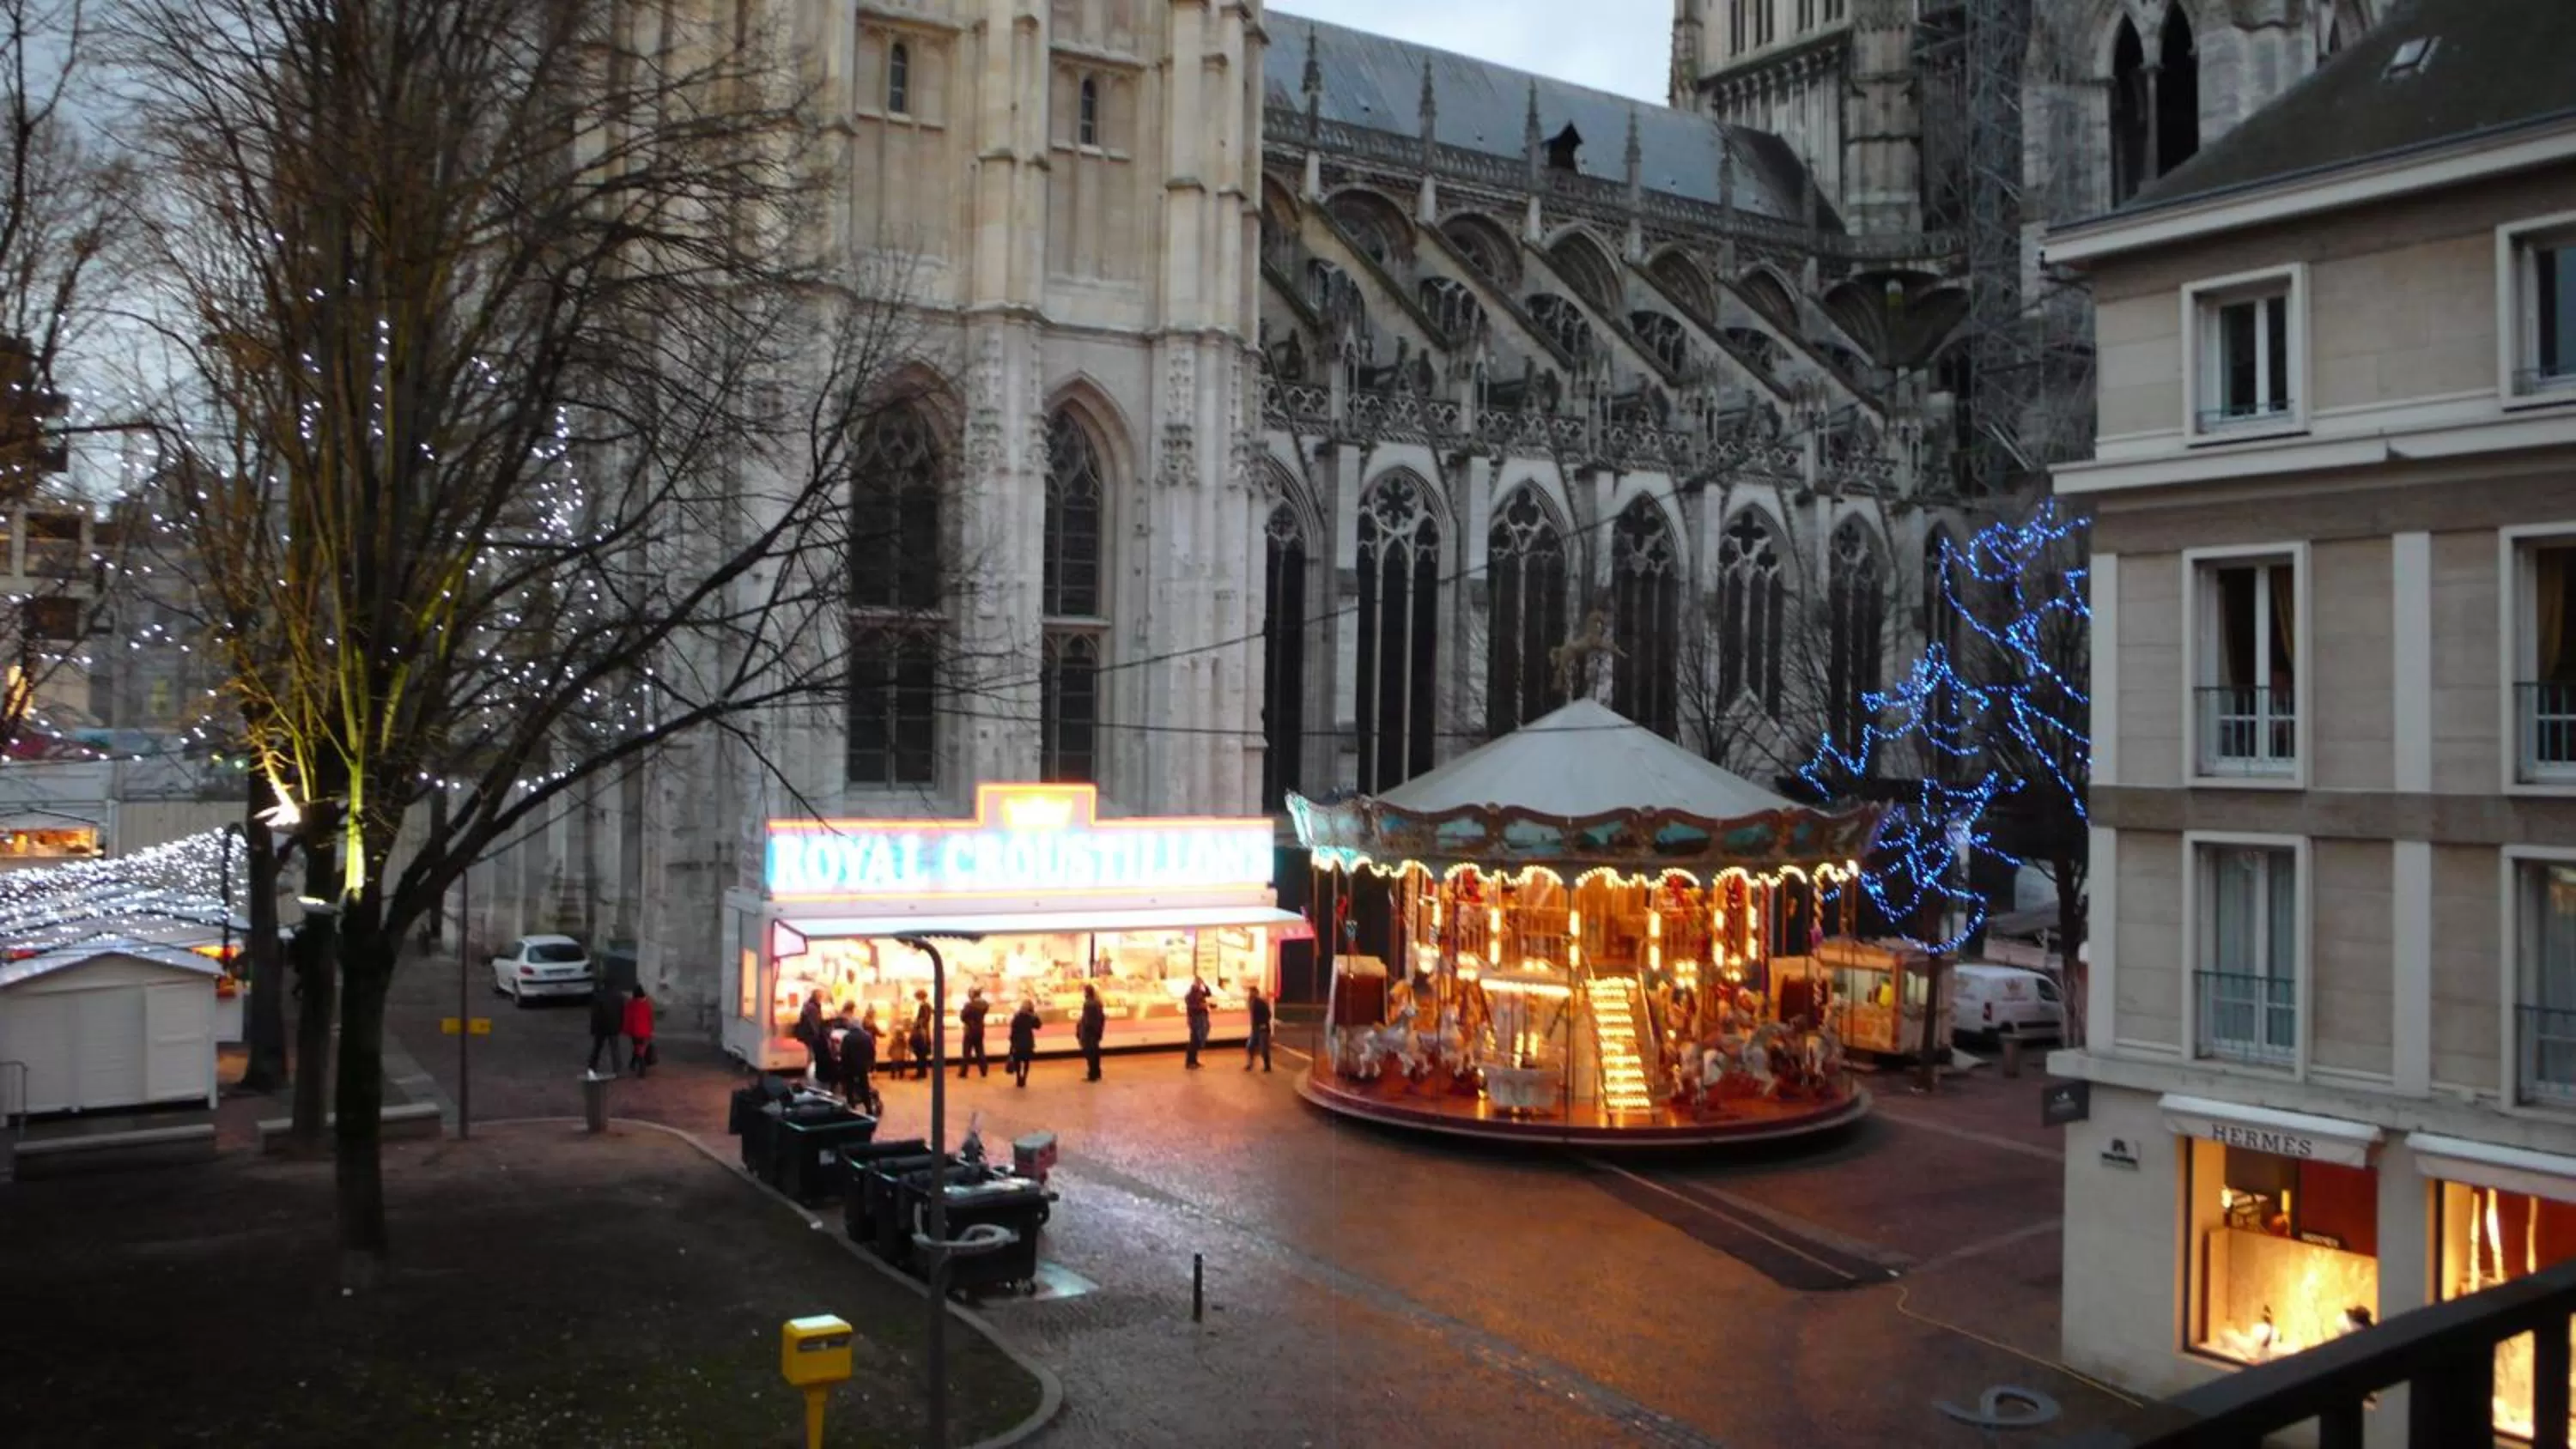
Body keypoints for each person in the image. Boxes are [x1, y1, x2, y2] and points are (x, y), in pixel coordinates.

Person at [839, 1007, 880, 1115]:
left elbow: (844, 1053)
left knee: (850, 1087)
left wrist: (843, 1065)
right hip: (862, 1067)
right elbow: (872, 1052)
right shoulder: (867, 1036)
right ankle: (868, 1108)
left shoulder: (847, 1037)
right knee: (864, 1087)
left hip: (850, 1067)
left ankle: (852, 1108)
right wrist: (871, 1065)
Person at [586, 983, 629, 1074]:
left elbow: (595, 1014)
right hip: (613, 1026)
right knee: (615, 1049)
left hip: (601, 1026)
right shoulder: (619, 996)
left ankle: (592, 1067)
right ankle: (617, 1070)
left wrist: (593, 1028)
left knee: (597, 1048)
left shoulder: (599, 996)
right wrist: (621, 1025)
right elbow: (622, 1013)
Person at [794, 989, 828, 1084]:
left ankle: (808, 1075)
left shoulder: (808, 1005)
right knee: (813, 1056)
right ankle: (810, 1077)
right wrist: (818, 1036)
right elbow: (814, 1023)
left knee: (810, 1054)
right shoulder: (812, 1008)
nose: (821, 999)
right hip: (811, 1036)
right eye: (820, 997)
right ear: (816, 997)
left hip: (807, 1035)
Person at [1007, 997, 1042, 1088]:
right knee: (1026, 1062)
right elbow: (1038, 1026)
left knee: (1017, 1061)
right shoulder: (1031, 1017)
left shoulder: (1017, 1016)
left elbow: (1013, 1029)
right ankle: (1024, 1079)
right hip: (1028, 1042)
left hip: (1018, 1042)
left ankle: (1019, 1078)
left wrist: (1012, 1041)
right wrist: (1035, 1015)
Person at [623, 985, 656, 1077]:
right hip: (645, 1031)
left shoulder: (631, 1004)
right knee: (639, 1048)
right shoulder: (646, 1004)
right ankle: (633, 1064)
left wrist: (626, 1030)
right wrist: (651, 1030)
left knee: (638, 1049)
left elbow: (627, 1018)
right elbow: (650, 1018)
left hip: (635, 1031)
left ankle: (641, 1069)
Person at [957, 987, 991, 1078]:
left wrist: (968, 1022)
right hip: (980, 1029)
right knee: (980, 1050)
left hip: (969, 1030)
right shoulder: (985, 1004)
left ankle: (963, 1072)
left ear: (973, 994)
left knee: (966, 1052)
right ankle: (984, 1071)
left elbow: (963, 1017)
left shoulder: (969, 1005)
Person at [1077, 985, 1106, 1082]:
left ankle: (1092, 1075)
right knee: (1095, 1052)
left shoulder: (1088, 1004)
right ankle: (1097, 1073)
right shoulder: (1098, 1003)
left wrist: (1080, 1029)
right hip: (1096, 1031)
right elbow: (1102, 1018)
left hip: (1089, 1033)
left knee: (1089, 1053)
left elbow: (1087, 1020)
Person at [1182, 973, 1212, 1070]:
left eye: (1200, 983)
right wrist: (1201, 1006)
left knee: (1197, 1040)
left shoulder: (1199, 991)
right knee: (1194, 1041)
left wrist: (1205, 984)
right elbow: (1191, 1007)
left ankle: (1194, 1060)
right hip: (1195, 1019)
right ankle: (1189, 1062)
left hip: (1201, 1018)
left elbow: (1208, 993)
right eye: (1198, 983)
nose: (1199, 984)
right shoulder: (1190, 994)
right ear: (1195, 983)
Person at [1244, 984, 1273, 1073]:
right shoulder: (1251, 1002)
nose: (1250, 994)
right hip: (1255, 1029)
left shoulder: (1260, 1002)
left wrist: (1263, 1023)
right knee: (1250, 1047)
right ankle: (1250, 1064)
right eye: (1250, 992)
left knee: (1263, 1048)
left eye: (1252, 992)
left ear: (1256, 993)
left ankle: (1267, 1066)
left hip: (1262, 1029)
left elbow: (1268, 1014)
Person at [908, 990, 934, 1079]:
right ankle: (922, 1073)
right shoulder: (926, 1005)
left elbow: (924, 1019)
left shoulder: (924, 1006)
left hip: (922, 1034)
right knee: (922, 1054)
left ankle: (921, 1073)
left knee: (920, 1054)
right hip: (924, 1033)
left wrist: (915, 1024)